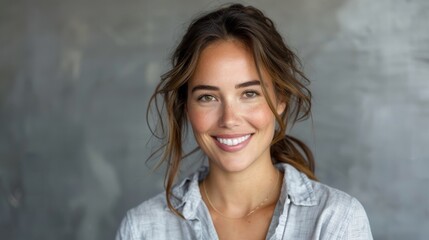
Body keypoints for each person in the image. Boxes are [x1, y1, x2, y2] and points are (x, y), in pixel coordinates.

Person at [116, 3, 373, 240]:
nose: (229, 119)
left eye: (249, 94)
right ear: (186, 107)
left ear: (280, 99)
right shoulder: (142, 229)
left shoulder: (336, 221)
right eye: (207, 97)